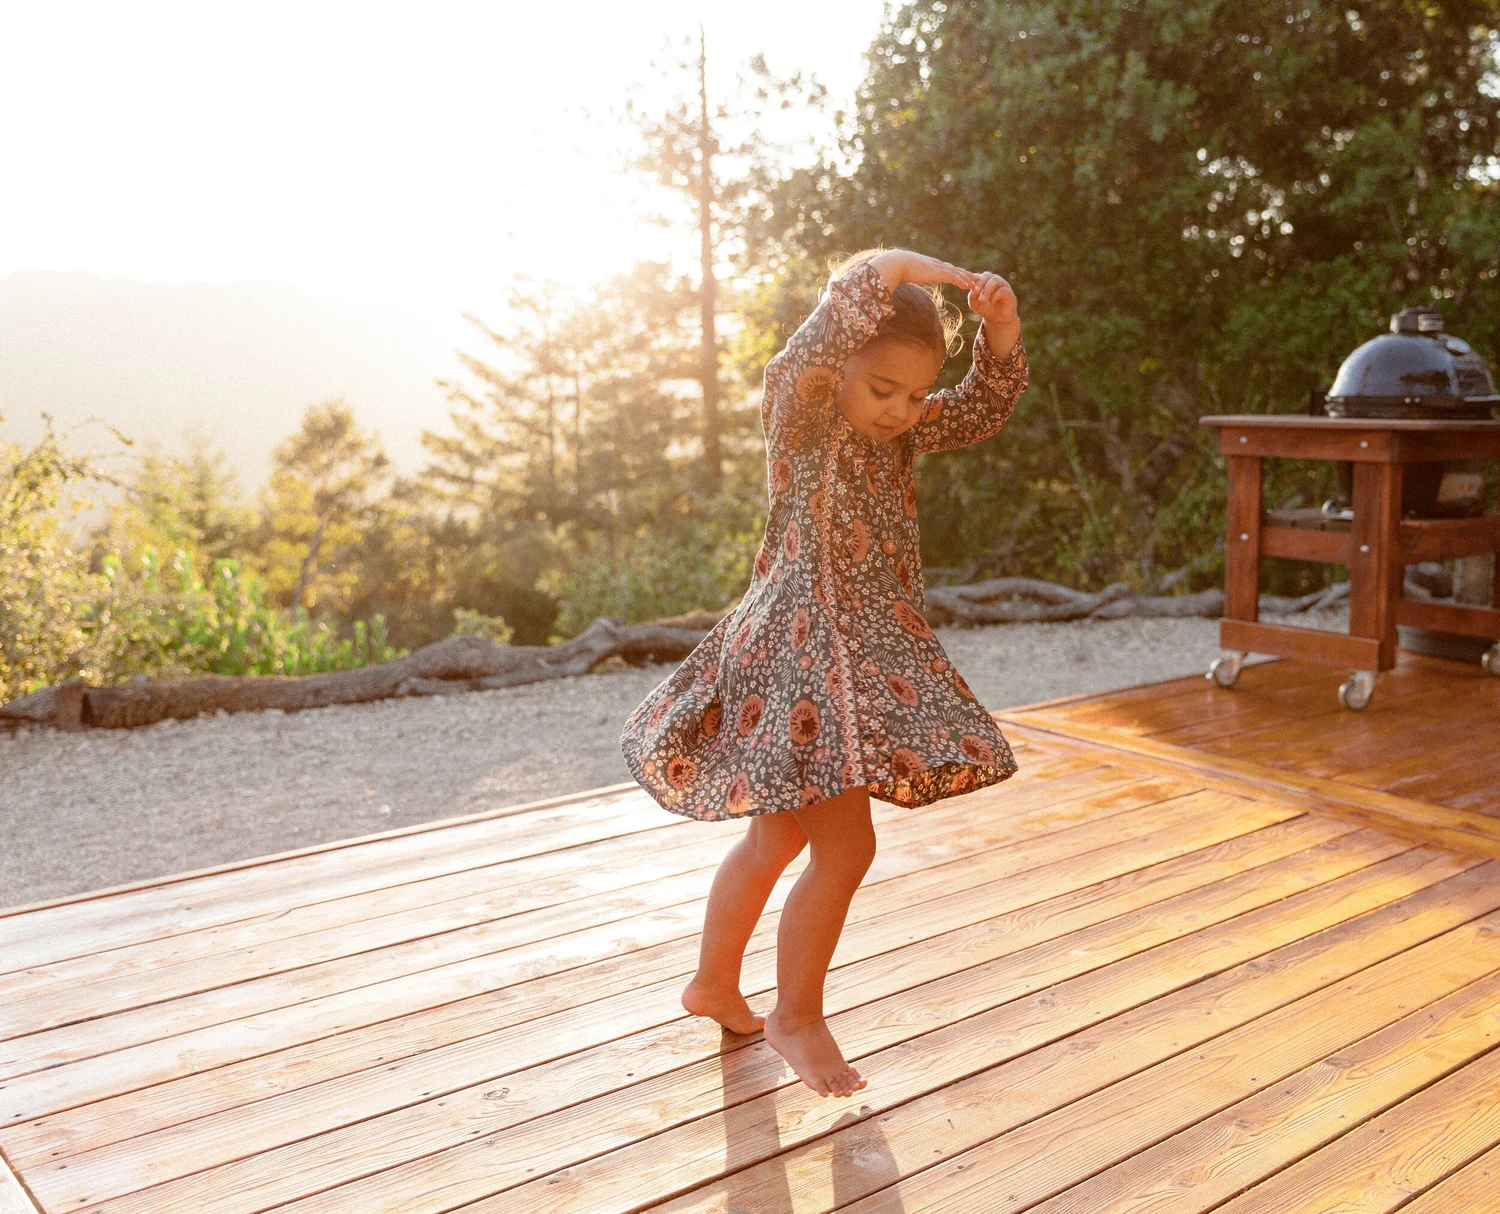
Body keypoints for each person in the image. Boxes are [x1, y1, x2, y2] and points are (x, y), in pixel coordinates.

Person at [618, 247, 1030, 1098]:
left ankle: (714, 984)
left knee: (780, 835)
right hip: (803, 653)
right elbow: (851, 295)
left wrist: (1000, 330)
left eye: (915, 395)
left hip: (845, 652)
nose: (899, 411)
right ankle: (796, 1015)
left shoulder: (905, 431)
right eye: (881, 389)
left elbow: (984, 407)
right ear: (837, 363)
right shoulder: (801, 414)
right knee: (847, 847)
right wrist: (935, 272)